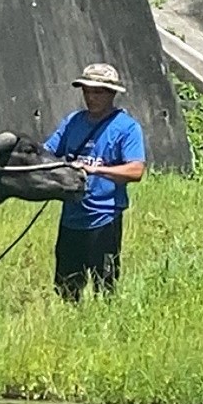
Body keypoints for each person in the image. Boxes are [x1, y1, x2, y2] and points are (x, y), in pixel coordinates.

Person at [43, 62, 147, 302]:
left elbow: (136, 170)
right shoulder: (73, 122)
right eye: (87, 91)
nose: (91, 97)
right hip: (71, 216)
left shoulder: (127, 128)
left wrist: (95, 169)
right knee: (67, 287)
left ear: (112, 94)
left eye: (98, 91)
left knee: (105, 286)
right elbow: (47, 152)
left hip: (104, 217)